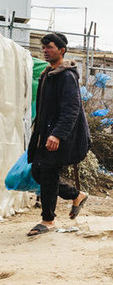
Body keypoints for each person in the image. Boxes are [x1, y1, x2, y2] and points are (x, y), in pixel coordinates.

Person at [26, 33, 90, 236]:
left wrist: (58, 135)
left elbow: (71, 109)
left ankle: (48, 220)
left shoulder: (66, 76)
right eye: (43, 47)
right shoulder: (47, 74)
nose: (45, 50)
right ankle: (76, 195)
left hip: (57, 135)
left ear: (62, 50)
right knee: (38, 172)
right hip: (44, 133)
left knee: (47, 173)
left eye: (50, 47)